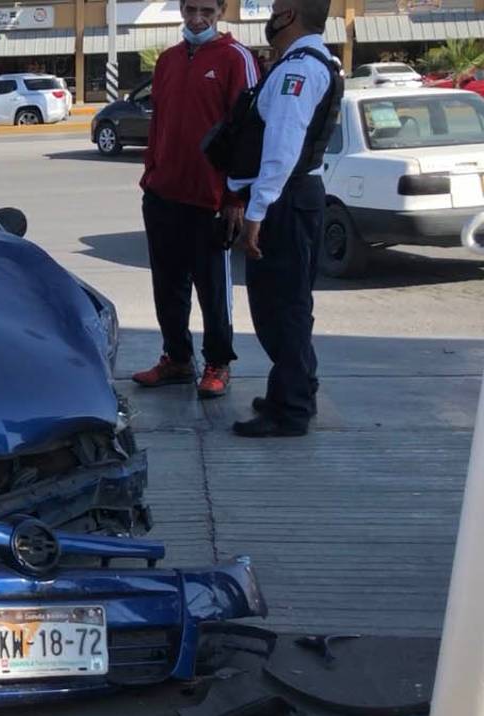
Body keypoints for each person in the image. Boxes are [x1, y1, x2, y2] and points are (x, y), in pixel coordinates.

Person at [132, 0, 259, 399]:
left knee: (213, 289)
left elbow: (249, 133)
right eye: (190, 9)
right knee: (167, 285)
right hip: (163, 194)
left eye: (206, 10)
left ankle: (217, 363)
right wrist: (150, 176)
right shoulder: (168, 61)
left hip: (211, 200)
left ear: (221, 10)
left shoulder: (237, 58)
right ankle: (177, 358)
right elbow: (158, 123)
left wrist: (236, 197)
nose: (197, 18)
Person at [229, 0, 343, 436]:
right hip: (297, 196)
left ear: (290, 14)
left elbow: (281, 147)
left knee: (281, 308)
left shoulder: (298, 70)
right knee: (291, 302)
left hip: (286, 200)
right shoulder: (315, 61)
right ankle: (294, 389)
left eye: (275, 8)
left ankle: (291, 410)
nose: (270, 16)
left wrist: (257, 211)